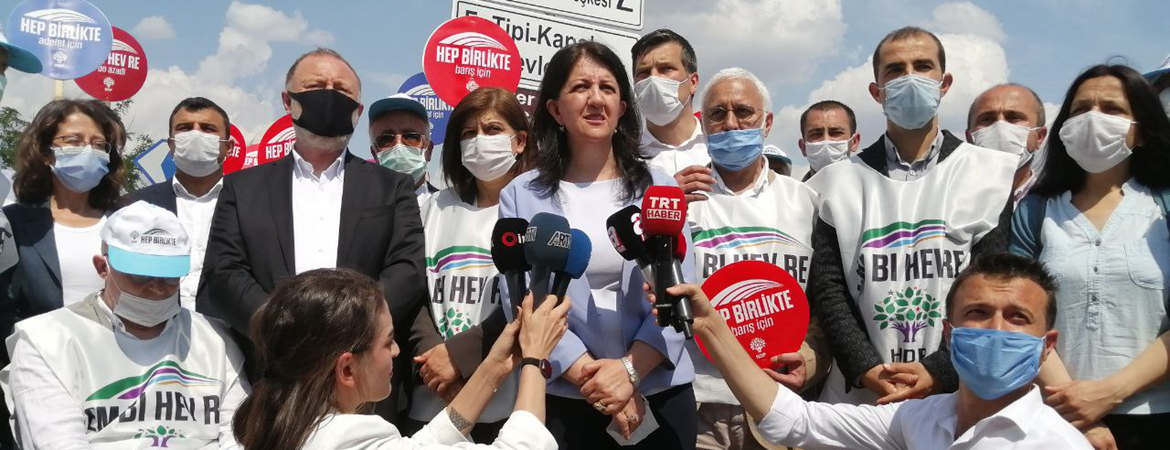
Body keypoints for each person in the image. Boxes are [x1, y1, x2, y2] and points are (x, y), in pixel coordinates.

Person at [198, 47, 436, 423]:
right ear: (288, 101)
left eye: (341, 89)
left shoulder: (392, 188)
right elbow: (224, 272)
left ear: (357, 111)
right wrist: (284, 331)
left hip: (363, 387)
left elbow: (407, 269)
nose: (328, 93)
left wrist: (349, 329)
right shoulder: (242, 188)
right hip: (272, 381)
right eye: (315, 85)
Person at [651, 253, 1092, 449]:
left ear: (1045, 345)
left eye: (1017, 317)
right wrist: (710, 326)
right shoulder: (918, 419)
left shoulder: (1059, 443)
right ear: (949, 332)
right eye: (978, 312)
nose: (995, 330)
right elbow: (795, 421)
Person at [805, 26, 1016, 407]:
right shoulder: (836, 183)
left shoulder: (989, 174)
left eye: (923, 67)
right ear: (877, 90)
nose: (910, 78)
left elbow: (991, 288)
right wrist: (865, 366)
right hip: (865, 396)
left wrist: (938, 370)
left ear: (944, 82)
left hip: (957, 391)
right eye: (895, 70)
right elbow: (829, 289)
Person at [499, 41, 696, 449]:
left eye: (607, 88)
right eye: (580, 88)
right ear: (554, 109)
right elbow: (519, 297)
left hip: (659, 390)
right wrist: (592, 377)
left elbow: (682, 287)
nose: (595, 99)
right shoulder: (521, 194)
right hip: (564, 394)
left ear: (623, 106)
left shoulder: (657, 186)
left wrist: (630, 372)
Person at [1010, 64, 1170, 450]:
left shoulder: (1163, 206)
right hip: (1055, 418)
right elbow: (1018, 315)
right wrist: (1075, 406)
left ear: (1143, 130)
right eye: (1080, 109)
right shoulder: (1034, 212)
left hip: (1157, 420)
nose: (1093, 119)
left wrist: (1110, 393)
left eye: (1112, 109)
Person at [232, 268, 568, 450]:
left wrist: (492, 367)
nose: (396, 351)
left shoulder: (277, 423)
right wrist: (534, 359)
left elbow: (421, 445)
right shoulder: (348, 437)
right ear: (347, 367)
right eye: (388, 342)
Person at [2, 201, 248, 449]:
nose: (156, 287)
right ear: (102, 267)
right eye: (140, 275)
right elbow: (57, 442)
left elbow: (238, 436)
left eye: (169, 275)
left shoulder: (214, 339)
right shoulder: (46, 341)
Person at [686, 67, 830, 450]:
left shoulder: (805, 202)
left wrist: (808, 361)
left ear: (766, 122)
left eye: (743, 111)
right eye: (717, 114)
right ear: (702, 125)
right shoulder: (678, 198)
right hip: (698, 404)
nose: (731, 124)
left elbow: (826, 300)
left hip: (778, 405)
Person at [406, 87, 538, 441]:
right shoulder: (432, 207)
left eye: (493, 130)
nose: (480, 140)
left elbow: (529, 301)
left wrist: (459, 356)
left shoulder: (539, 210)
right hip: (430, 396)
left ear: (520, 141)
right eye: (469, 133)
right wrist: (433, 358)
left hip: (505, 405)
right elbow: (412, 290)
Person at [1, 99, 126, 334]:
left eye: (99, 144)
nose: (88, 150)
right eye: (73, 141)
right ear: (46, 153)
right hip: (40, 359)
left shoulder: (126, 221)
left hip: (117, 359)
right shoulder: (13, 223)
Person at [125, 97, 234, 309]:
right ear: (171, 144)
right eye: (184, 128)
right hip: (155, 329)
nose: (195, 135)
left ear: (228, 146)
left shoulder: (249, 202)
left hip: (231, 333)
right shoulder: (137, 204)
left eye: (207, 129)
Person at [631, 29, 713, 204]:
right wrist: (661, 200)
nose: (653, 79)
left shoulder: (718, 147)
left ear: (693, 82)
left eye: (666, 69)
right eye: (643, 72)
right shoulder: (622, 157)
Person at [966, 84, 1049, 204]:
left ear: (1039, 137)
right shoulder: (948, 201)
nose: (1000, 126)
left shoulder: (1057, 206)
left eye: (1014, 117)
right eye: (987, 119)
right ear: (969, 138)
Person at [368, 93, 436, 201]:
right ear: (374, 154)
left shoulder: (450, 210)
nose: (398, 146)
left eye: (411, 137)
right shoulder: (355, 211)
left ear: (429, 151)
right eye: (386, 139)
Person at [798, 100, 860, 182]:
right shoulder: (793, 194)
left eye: (836, 133)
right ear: (803, 147)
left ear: (854, 142)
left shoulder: (874, 190)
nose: (826, 140)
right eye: (816, 134)